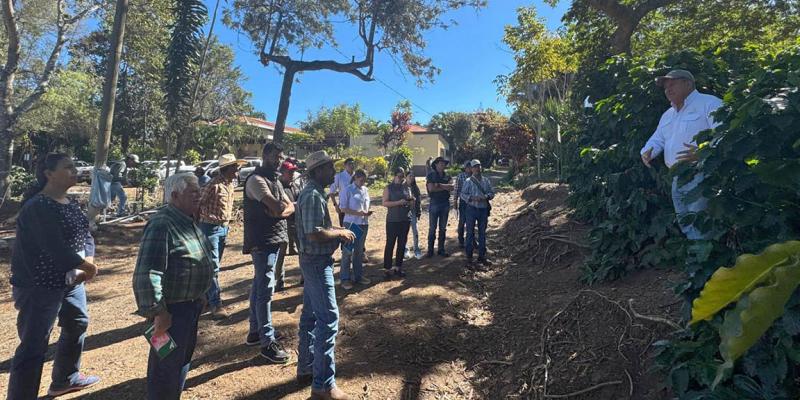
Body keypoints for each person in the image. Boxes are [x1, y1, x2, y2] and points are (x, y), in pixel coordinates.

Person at [8, 153, 100, 399]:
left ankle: (65, 379)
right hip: (39, 286)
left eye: (74, 166)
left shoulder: (70, 202)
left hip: (70, 281)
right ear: (49, 174)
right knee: (34, 345)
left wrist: (88, 261)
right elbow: (54, 248)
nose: (75, 171)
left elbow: (86, 234)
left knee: (77, 322)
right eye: (68, 167)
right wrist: (88, 269)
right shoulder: (38, 206)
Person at [132, 173, 214, 400]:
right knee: (165, 369)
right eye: (193, 192)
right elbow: (148, 273)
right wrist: (158, 313)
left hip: (189, 308)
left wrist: (202, 293)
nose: (199, 195)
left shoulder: (187, 219)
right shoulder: (162, 224)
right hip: (171, 313)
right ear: (175, 196)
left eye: (199, 190)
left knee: (180, 362)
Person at [295, 150, 356, 400]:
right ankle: (323, 385)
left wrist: (337, 229)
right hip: (317, 263)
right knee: (329, 318)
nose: (334, 172)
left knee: (310, 317)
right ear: (317, 171)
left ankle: (307, 367)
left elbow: (320, 228)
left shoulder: (316, 193)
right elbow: (314, 232)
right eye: (330, 168)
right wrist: (339, 234)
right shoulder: (311, 195)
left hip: (316, 261)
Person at [640, 69, 723, 240]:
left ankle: (705, 260)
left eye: (672, 84)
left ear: (688, 84)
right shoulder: (668, 115)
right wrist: (647, 152)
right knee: (686, 221)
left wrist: (703, 153)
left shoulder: (710, 103)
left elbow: (724, 134)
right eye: (665, 87)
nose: (668, 90)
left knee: (701, 222)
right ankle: (696, 257)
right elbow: (658, 139)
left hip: (702, 173)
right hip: (677, 176)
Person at [242, 142, 294, 363]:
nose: (279, 160)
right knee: (265, 291)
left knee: (258, 285)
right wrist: (280, 210)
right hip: (261, 240)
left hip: (272, 238)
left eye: (281, 157)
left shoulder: (274, 180)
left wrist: (280, 211)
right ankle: (267, 342)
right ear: (264, 156)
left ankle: (255, 332)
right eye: (275, 156)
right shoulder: (256, 180)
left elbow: (289, 206)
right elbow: (277, 206)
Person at [197, 154, 245, 319]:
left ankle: (205, 299)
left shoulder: (230, 184)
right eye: (235, 167)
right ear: (227, 168)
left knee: (213, 267)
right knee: (213, 268)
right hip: (209, 228)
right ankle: (216, 305)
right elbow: (198, 203)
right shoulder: (213, 184)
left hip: (223, 228)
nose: (237, 170)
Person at [339, 169, 372, 290]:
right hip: (351, 224)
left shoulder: (365, 190)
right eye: (361, 180)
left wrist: (366, 213)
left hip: (363, 223)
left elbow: (366, 204)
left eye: (365, 180)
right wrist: (359, 213)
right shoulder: (347, 190)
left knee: (359, 252)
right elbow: (343, 209)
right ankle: (345, 279)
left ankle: (358, 276)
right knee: (347, 252)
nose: (363, 182)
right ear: (356, 178)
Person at [460, 159, 495, 267]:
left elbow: (492, 193)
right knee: (470, 233)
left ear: (481, 168)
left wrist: (485, 197)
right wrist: (472, 198)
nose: (477, 168)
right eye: (475, 166)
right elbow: (462, 194)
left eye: (478, 166)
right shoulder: (468, 181)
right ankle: (469, 258)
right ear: (471, 169)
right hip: (471, 209)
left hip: (483, 209)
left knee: (482, 234)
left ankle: (482, 256)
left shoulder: (486, 181)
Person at [275, 159, 303, 291]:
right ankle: (278, 282)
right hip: (282, 225)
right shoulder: (277, 187)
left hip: (296, 223)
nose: (292, 174)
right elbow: (281, 206)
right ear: (282, 172)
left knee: (302, 251)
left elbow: (299, 202)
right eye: (290, 172)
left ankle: (304, 277)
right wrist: (295, 205)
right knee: (280, 255)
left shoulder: (294, 186)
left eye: (293, 172)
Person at [383, 167, 414, 279]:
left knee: (402, 244)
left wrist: (411, 201)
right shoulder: (388, 188)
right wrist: (398, 202)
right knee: (390, 244)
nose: (401, 179)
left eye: (403, 176)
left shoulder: (406, 187)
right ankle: (387, 269)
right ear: (395, 176)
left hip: (405, 219)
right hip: (392, 220)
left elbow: (410, 202)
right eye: (399, 176)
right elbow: (385, 203)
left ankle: (398, 267)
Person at [425, 156, 454, 257]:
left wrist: (439, 185)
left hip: (445, 204)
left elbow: (452, 187)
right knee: (432, 228)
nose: (443, 165)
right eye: (440, 163)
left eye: (444, 163)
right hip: (434, 203)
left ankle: (441, 249)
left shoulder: (448, 176)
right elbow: (431, 188)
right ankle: (430, 250)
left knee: (443, 228)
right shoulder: (431, 175)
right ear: (436, 164)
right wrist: (445, 187)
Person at [330, 158, 355, 227]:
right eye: (349, 164)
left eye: (353, 164)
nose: (351, 165)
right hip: (343, 206)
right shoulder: (339, 176)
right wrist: (335, 205)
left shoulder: (357, 176)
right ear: (345, 166)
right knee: (344, 229)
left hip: (355, 206)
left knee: (356, 228)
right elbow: (332, 192)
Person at [453, 161, 473, 248]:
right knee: (462, 221)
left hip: (473, 202)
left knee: (471, 221)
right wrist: (455, 202)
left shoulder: (475, 176)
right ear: (465, 168)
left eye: (470, 166)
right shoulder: (460, 176)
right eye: (467, 167)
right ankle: (461, 240)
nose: (469, 168)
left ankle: (472, 240)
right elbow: (456, 190)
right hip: (463, 202)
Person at [404, 172, 423, 260]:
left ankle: (416, 249)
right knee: (405, 232)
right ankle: (405, 250)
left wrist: (419, 211)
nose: (411, 178)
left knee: (415, 231)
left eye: (413, 176)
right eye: (409, 176)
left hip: (413, 212)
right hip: (404, 212)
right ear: (406, 177)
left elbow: (419, 200)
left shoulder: (415, 187)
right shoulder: (402, 187)